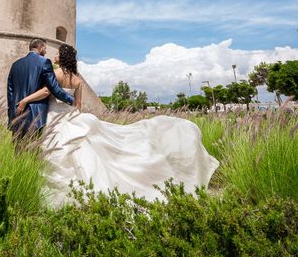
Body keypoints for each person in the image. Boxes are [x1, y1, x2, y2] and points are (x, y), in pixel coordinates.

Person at [17, 43, 220, 208]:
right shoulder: (78, 80)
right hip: (70, 116)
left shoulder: (56, 74)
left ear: (62, 57)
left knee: (59, 151)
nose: (55, 56)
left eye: (58, 53)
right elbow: (78, 106)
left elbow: (46, 92)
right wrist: (72, 116)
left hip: (55, 117)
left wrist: (25, 100)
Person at [7, 38, 74, 137]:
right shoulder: (44, 62)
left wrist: (12, 113)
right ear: (41, 48)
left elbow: (10, 92)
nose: (46, 51)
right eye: (45, 48)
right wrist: (71, 99)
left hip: (17, 114)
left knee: (18, 150)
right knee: (33, 150)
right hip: (35, 115)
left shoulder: (16, 64)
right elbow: (53, 88)